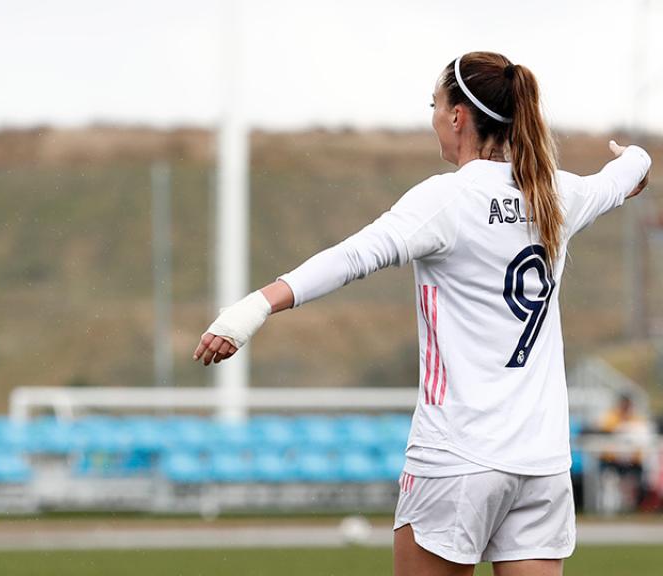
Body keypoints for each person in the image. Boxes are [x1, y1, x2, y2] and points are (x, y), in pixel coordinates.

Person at [194, 51, 651, 575]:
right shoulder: (556, 193)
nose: (433, 116)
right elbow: (627, 173)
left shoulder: (447, 199)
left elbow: (352, 257)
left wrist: (253, 307)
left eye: (435, 105)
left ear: (458, 116)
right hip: (542, 464)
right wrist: (633, 158)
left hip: (457, 457)